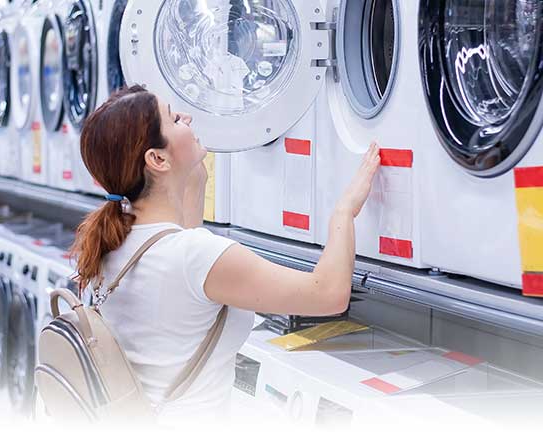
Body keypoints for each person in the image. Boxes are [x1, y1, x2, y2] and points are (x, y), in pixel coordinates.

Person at [70, 85, 380, 425]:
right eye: (174, 118)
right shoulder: (196, 256)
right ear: (157, 159)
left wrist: (193, 176)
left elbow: (180, 281)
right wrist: (344, 212)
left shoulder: (112, 247)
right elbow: (329, 293)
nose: (187, 118)